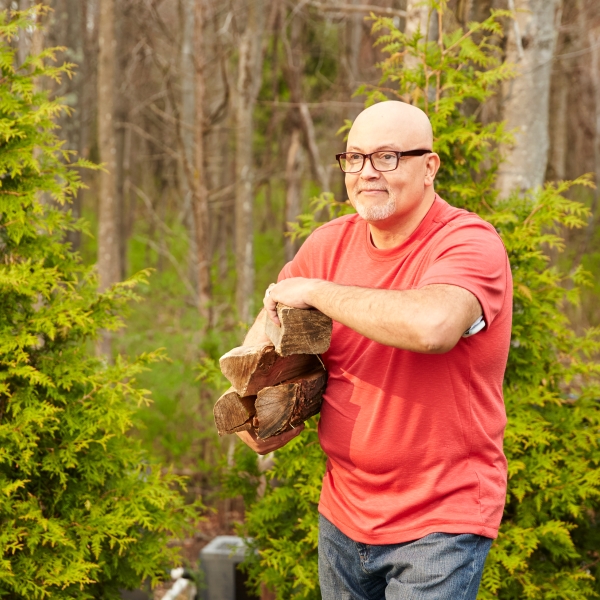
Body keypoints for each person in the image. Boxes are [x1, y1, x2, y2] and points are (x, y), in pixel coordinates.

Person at [237, 101, 512, 600]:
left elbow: (433, 326)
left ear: (429, 167)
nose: (366, 173)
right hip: (343, 513)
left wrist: (319, 292)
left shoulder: (469, 243)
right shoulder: (328, 245)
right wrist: (251, 409)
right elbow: (269, 321)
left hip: (439, 521)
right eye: (355, 158)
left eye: (387, 157)